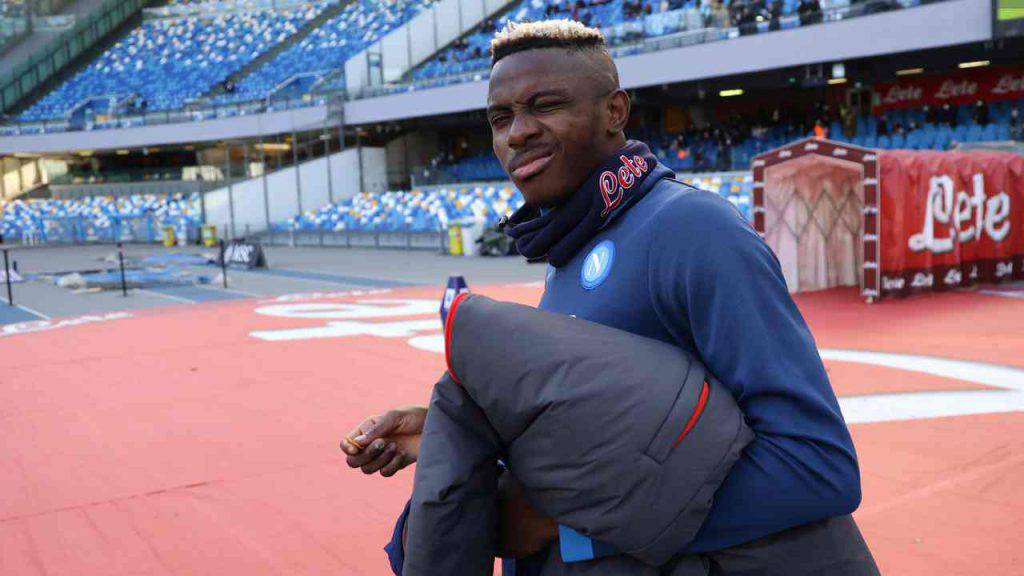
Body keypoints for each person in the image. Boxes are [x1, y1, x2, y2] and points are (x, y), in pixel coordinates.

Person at [342, 19, 876, 576]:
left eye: (544, 105)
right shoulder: (572, 247)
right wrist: (457, 436)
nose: (516, 133)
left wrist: (566, 526)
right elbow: (633, 431)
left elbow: (815, 467)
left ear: (614, 112)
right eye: (500, 119)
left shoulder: (694, 230)